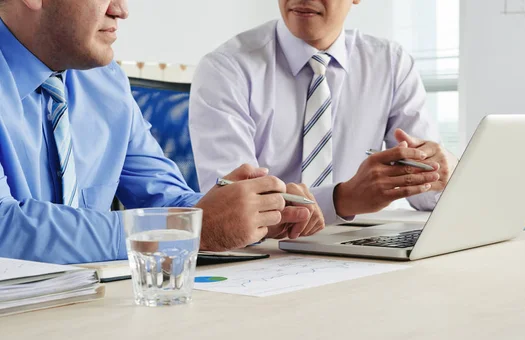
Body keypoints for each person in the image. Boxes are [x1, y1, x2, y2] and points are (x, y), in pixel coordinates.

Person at [0, 0, 324, 265]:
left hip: (91, 305)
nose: (121, 10)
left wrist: (249, 214)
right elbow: (4, 227)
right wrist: (189, 229)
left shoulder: (105, 82)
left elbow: (165, 199)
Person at [189, 0, 459, 226]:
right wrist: (342, 199)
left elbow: (427, 197)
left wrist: (438, 169)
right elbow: (232, 211)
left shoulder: (390, 63)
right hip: (265, 253)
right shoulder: (225, 69)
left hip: (357, 241)